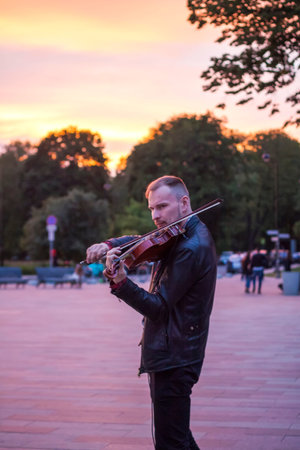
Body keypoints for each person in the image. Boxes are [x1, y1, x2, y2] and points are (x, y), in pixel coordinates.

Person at [86, 175, 217, 449]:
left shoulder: (191, 247)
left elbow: (158, 308)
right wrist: (109, 245)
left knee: (170, 442)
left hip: (175, 357)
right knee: (178, 436)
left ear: (184, 202)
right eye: (152, 209)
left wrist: (121, 282)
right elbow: (142, 240)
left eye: (162, 207)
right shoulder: (180, 234)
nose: (156, 216)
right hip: (176, 351)